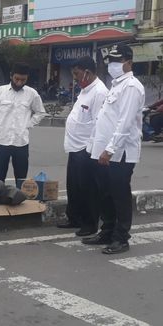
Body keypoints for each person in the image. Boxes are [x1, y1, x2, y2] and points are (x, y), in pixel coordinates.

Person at [82, 44, 145, 254]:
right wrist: (95, 146)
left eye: (118, 61)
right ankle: (107, 231)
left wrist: (110, 150)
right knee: (105, 194)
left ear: (129, 62)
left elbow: (125, 123)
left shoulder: (132, 87)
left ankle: (121, 238)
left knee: (119, 195)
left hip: (121, 153)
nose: (113, 65)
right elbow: (104, 119)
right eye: (111, 61)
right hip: (105, 151)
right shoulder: (116, 85)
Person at [57, 56, 108, 237]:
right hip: (74, 146)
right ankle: (75, 218)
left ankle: (89, 223)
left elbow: (98, 123)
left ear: (87, 71)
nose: (75, 78)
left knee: (87, 188)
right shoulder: (85, 90)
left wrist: (91, 148)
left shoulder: (100, 92)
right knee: (74, 186)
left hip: (86, 149)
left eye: (77, 74)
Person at [0, 62, 46, 182]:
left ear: (27, 78)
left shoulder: (32, 94)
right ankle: (0, 199)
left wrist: (28, 124)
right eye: (17, 79)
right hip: (1, 141)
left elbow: (40, 112)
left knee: (21, 179)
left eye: (23, 80)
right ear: (11, 76)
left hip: (21, 143)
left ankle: (19, 199)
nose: (19, 82)